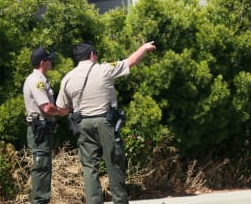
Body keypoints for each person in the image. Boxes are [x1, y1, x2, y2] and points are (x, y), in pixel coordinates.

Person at [56, 41, 156, 204]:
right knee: (113, 163)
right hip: (105, 122)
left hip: (83, 124)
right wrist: (143, 48)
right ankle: (119, 201)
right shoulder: (104, 69)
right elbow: (130, 62)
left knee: (89, 168)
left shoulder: (67, 78)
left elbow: (61, 109)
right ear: (92, 55)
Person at [23, 47, 69, 204]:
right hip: (40, 130)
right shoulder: (36, 81)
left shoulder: (40, 80)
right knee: (41, 169)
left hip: (43, 130)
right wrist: (61, 111)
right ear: (43, 62)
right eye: (49, 59)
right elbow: (47, 107)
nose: (51, 62)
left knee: (44, 168)